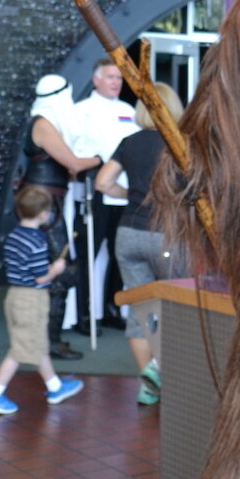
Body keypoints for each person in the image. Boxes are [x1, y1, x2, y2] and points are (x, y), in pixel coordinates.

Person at [95, 82, 189, 405]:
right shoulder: (180, 143)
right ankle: (163, 372)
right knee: (176, 307)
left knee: (140, 310)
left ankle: (149, 384)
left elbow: (102, 182)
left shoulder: (129, 141)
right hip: (168, 234)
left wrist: (130, 196)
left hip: (129, 234)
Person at [0, 185, 85, 416]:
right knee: (20, 350)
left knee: (35, 344)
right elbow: (40, 275)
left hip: (15, 296)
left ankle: (55, 387)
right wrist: (56, 269)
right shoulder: (37, 241)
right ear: (43, 214)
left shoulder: (13, 236)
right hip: (32, 299)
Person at [19, 74, 101, 360]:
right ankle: (49, 341)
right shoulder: (43, 124)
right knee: (60, 270)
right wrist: (101, 157)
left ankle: (46, 339)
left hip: (47, 202)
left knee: (55, 269)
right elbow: (74, 165)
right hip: (44, 205)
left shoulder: (44, 122)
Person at [69, 57, 140, 328]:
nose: (116, 83)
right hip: (93, 191)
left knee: (118, 252)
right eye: (110, 77)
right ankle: (85, 315)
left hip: (123, 192)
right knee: (88, 253)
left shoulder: (128, 110)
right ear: (96, 79)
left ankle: (111, 308)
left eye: (119, 78)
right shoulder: (81, 111)